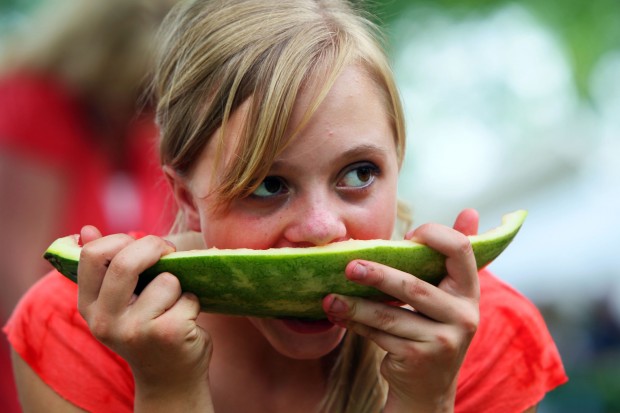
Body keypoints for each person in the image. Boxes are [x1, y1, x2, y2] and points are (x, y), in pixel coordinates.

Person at [3, 0, 567, 411]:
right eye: (267, 185)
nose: (322, 228)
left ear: (399, 163)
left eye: (359, 173)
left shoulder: (486, 338)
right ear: (186, 200)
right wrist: (168, 389)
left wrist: (426, 399)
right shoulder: (74, 330)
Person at [0, 0, 177, 410]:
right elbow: (15, 280)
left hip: (120, 360)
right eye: (139, 96)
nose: (148, 113)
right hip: (48, 360)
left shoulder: (135, 130)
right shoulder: (31, 109)